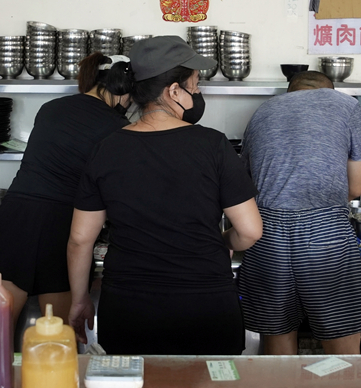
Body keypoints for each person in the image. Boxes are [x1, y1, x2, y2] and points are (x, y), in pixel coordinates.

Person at [67, 36, 263, 355]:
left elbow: (79, 240)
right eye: (195, 85)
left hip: (129, 309)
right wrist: (222, 243)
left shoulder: (106, 149)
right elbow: (251, 231)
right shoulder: (214, 146)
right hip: (207, 307)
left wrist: (79, 300)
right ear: (174, 90)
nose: (197, 93)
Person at [0, 52, 133, 327]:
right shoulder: (119, 128)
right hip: (58, 230)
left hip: (11, 221)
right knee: (61, 339)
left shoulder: (50, 108)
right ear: (122, 89)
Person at [236, 70, 361, 355]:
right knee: (341, 337)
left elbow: (245, 186)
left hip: (268, 233)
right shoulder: (346, 105)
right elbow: (356, 187)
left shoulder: (262, 112)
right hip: (325, 230)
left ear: (291, 91)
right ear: (329, 90)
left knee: (277, 335)